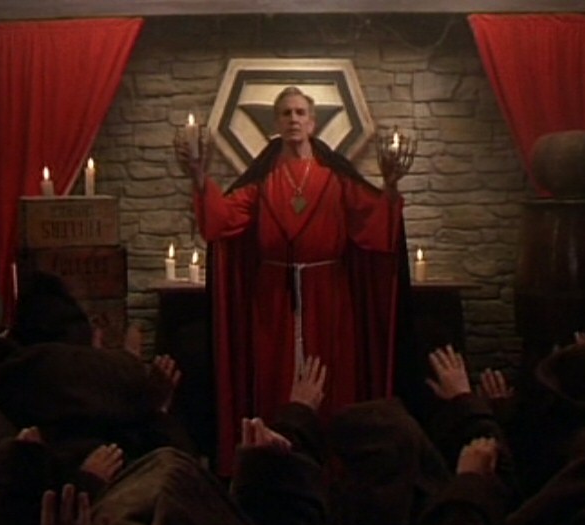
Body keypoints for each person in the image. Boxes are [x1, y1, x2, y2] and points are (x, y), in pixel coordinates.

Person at [177, 86, 413, 476]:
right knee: (276, 376)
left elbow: (373, 223)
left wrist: (389, 187)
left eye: (300, 112)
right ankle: (275, 464)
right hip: (273, 298)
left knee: (332, 377)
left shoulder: (335, 178)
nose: (293, 119)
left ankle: (332, 467)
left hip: (329, 294)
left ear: (313, 122)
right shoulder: (262, 180)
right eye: (286, 113)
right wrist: (200, 178)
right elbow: (222, 220)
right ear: (276, 122)